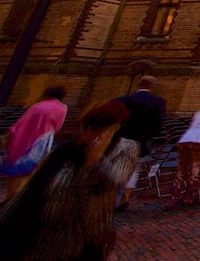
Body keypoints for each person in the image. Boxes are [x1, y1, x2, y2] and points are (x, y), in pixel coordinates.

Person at [0, 99, 138, 260]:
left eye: (101, 130)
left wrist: (96, 158)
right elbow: (30, 194)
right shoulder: (64, 152)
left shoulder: (125, 149)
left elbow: (115, 180)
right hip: (39, 235)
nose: (90, 135)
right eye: (88, 128)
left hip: (79, 239)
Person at [0, 86, 68, 201]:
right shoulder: (63, 108)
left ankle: (10, 201)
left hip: (26, 140)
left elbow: (20, 124)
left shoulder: (37, 106)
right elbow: (57, 127)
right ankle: (20, 200)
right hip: (44, 141)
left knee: (14, 177)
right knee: (30, 174)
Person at [113, 75, 166, 211]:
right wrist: (147, 138)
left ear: (138, 84)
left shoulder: (123, 100)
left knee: (116, 170)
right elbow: (158, 125)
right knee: (133, 171)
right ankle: (124, 199)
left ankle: (114, 200)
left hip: (120, 141)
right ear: (152, 86)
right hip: (141, 143)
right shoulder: (158, 102)